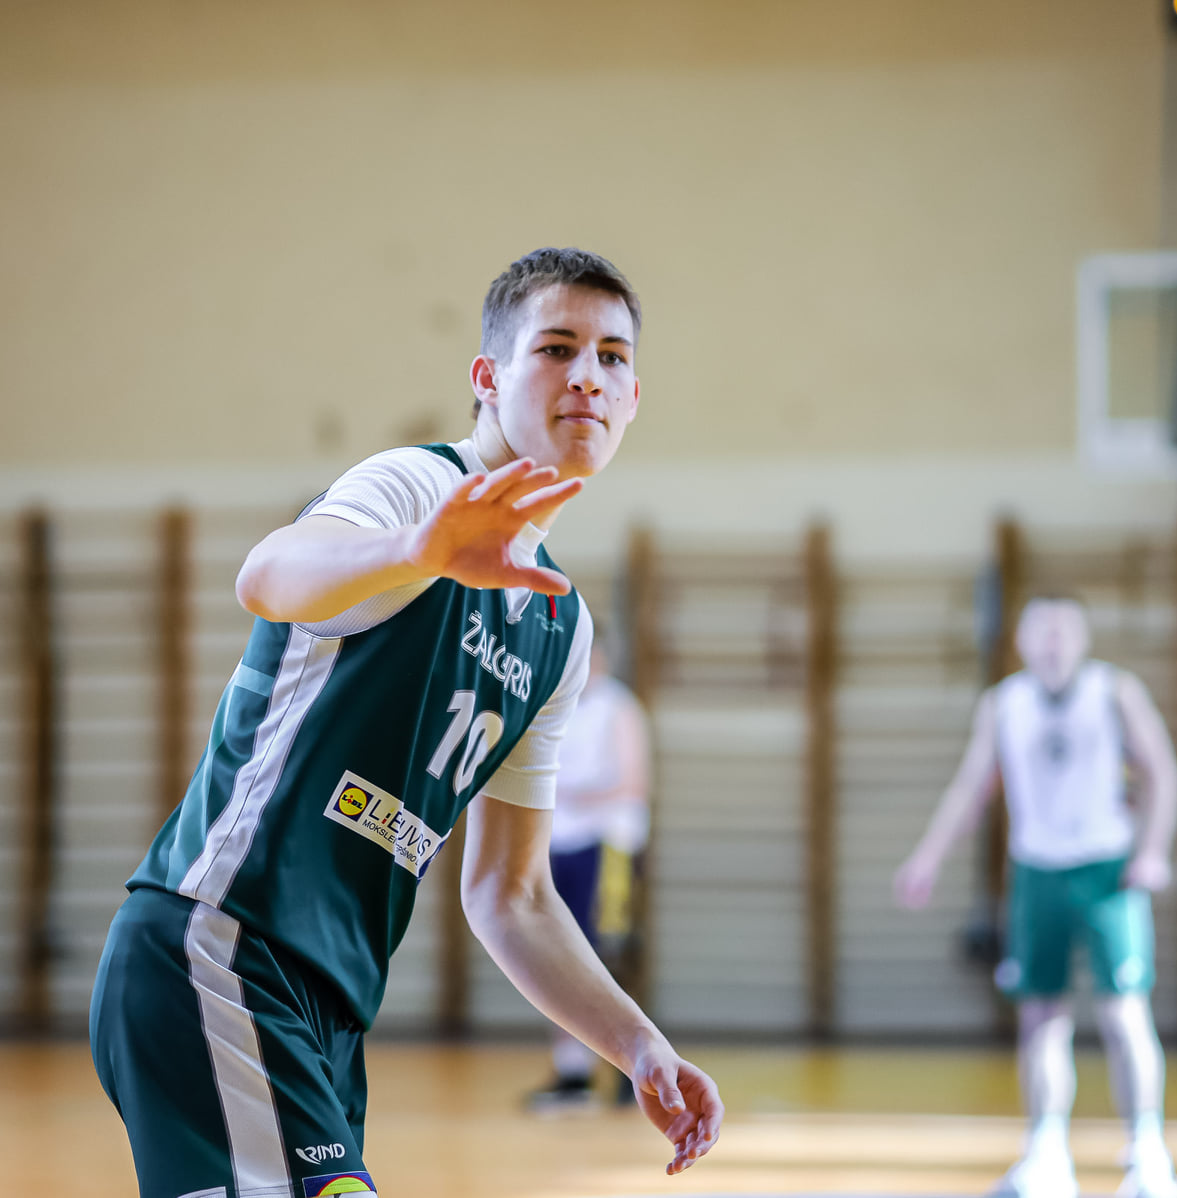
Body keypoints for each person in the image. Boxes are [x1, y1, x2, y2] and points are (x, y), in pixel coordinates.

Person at [89, 248, 722, 1198]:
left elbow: (511, 894)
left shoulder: (561, 630)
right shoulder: (416, 488)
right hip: (217, 950)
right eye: (557, 348)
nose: (588, 376)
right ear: (487, 378)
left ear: (634, 398)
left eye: (613, 358)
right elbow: (266, 576)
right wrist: (418, 550)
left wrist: (635, 1043)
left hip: (328, 1015)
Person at [894, 596, 1177, 1198]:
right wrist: (927, 857)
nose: (1053, 642)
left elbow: (1163, 770)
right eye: (1041, 631)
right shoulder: (1005, 703)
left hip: (1106, 870)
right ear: (1023, 641)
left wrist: (1153, 850)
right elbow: (971, 788)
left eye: (1063, 631)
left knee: (1125, 1011)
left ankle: (1148, 1155)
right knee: (1041, 1018)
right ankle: (1048, 1155)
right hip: (1037, 871)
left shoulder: (1114, 692)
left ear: (1082, 639)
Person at [524, 636, 652, 1110]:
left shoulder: (618, 707)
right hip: (556, 843)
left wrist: (569, 794)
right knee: (554, 952)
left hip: (605, 843)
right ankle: (572, 1072)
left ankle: (631, 1065)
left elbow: (633, 784)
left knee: (607, 952)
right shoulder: (552, 703)